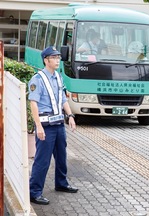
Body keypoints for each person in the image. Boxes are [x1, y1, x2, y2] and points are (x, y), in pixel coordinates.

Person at [28, 46, 78, 205]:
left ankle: (61, 184)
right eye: (54, 58)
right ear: (46, 60)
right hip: (45, 126)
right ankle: (34, 192)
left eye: (58, 57)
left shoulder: (58, 76)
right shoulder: (37, 79)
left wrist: (70, 116)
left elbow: (63, 98)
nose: (58, 60)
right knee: (42, 161)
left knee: (62, 157)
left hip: (58, 125)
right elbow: (33, 104)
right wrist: (38, 126)